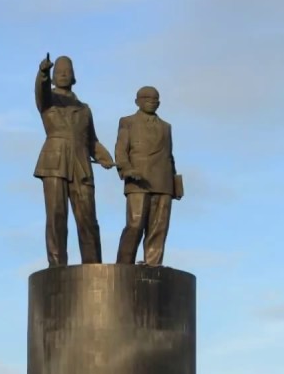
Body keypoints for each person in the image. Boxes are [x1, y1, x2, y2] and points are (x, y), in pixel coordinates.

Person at [33, 53, 115, 266]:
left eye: (67, 72)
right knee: (56, 217)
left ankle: (93, 266)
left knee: (87, 218)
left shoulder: (84, 109)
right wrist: (42, 72)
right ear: (53, 76)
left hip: (81, 164)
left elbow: (92, 141)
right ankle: (57, 266)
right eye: (58, 72)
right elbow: (40, 92)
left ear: (73, 76)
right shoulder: (48, 102)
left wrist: (104, 156)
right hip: (54, 162)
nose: (63, 75)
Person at [114, 86, 180, 266]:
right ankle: (124, 265)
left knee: (159, 227)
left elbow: (169, 155)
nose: (152, 102)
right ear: (137, 101)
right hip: (138, 180)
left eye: (155, 99)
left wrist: (176, 184)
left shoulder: (166, 127)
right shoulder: (128, 122)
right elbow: (121, 150)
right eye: (147, 98)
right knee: (135, 225)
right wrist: (126, 169)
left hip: (163, 181)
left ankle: (153, 264)